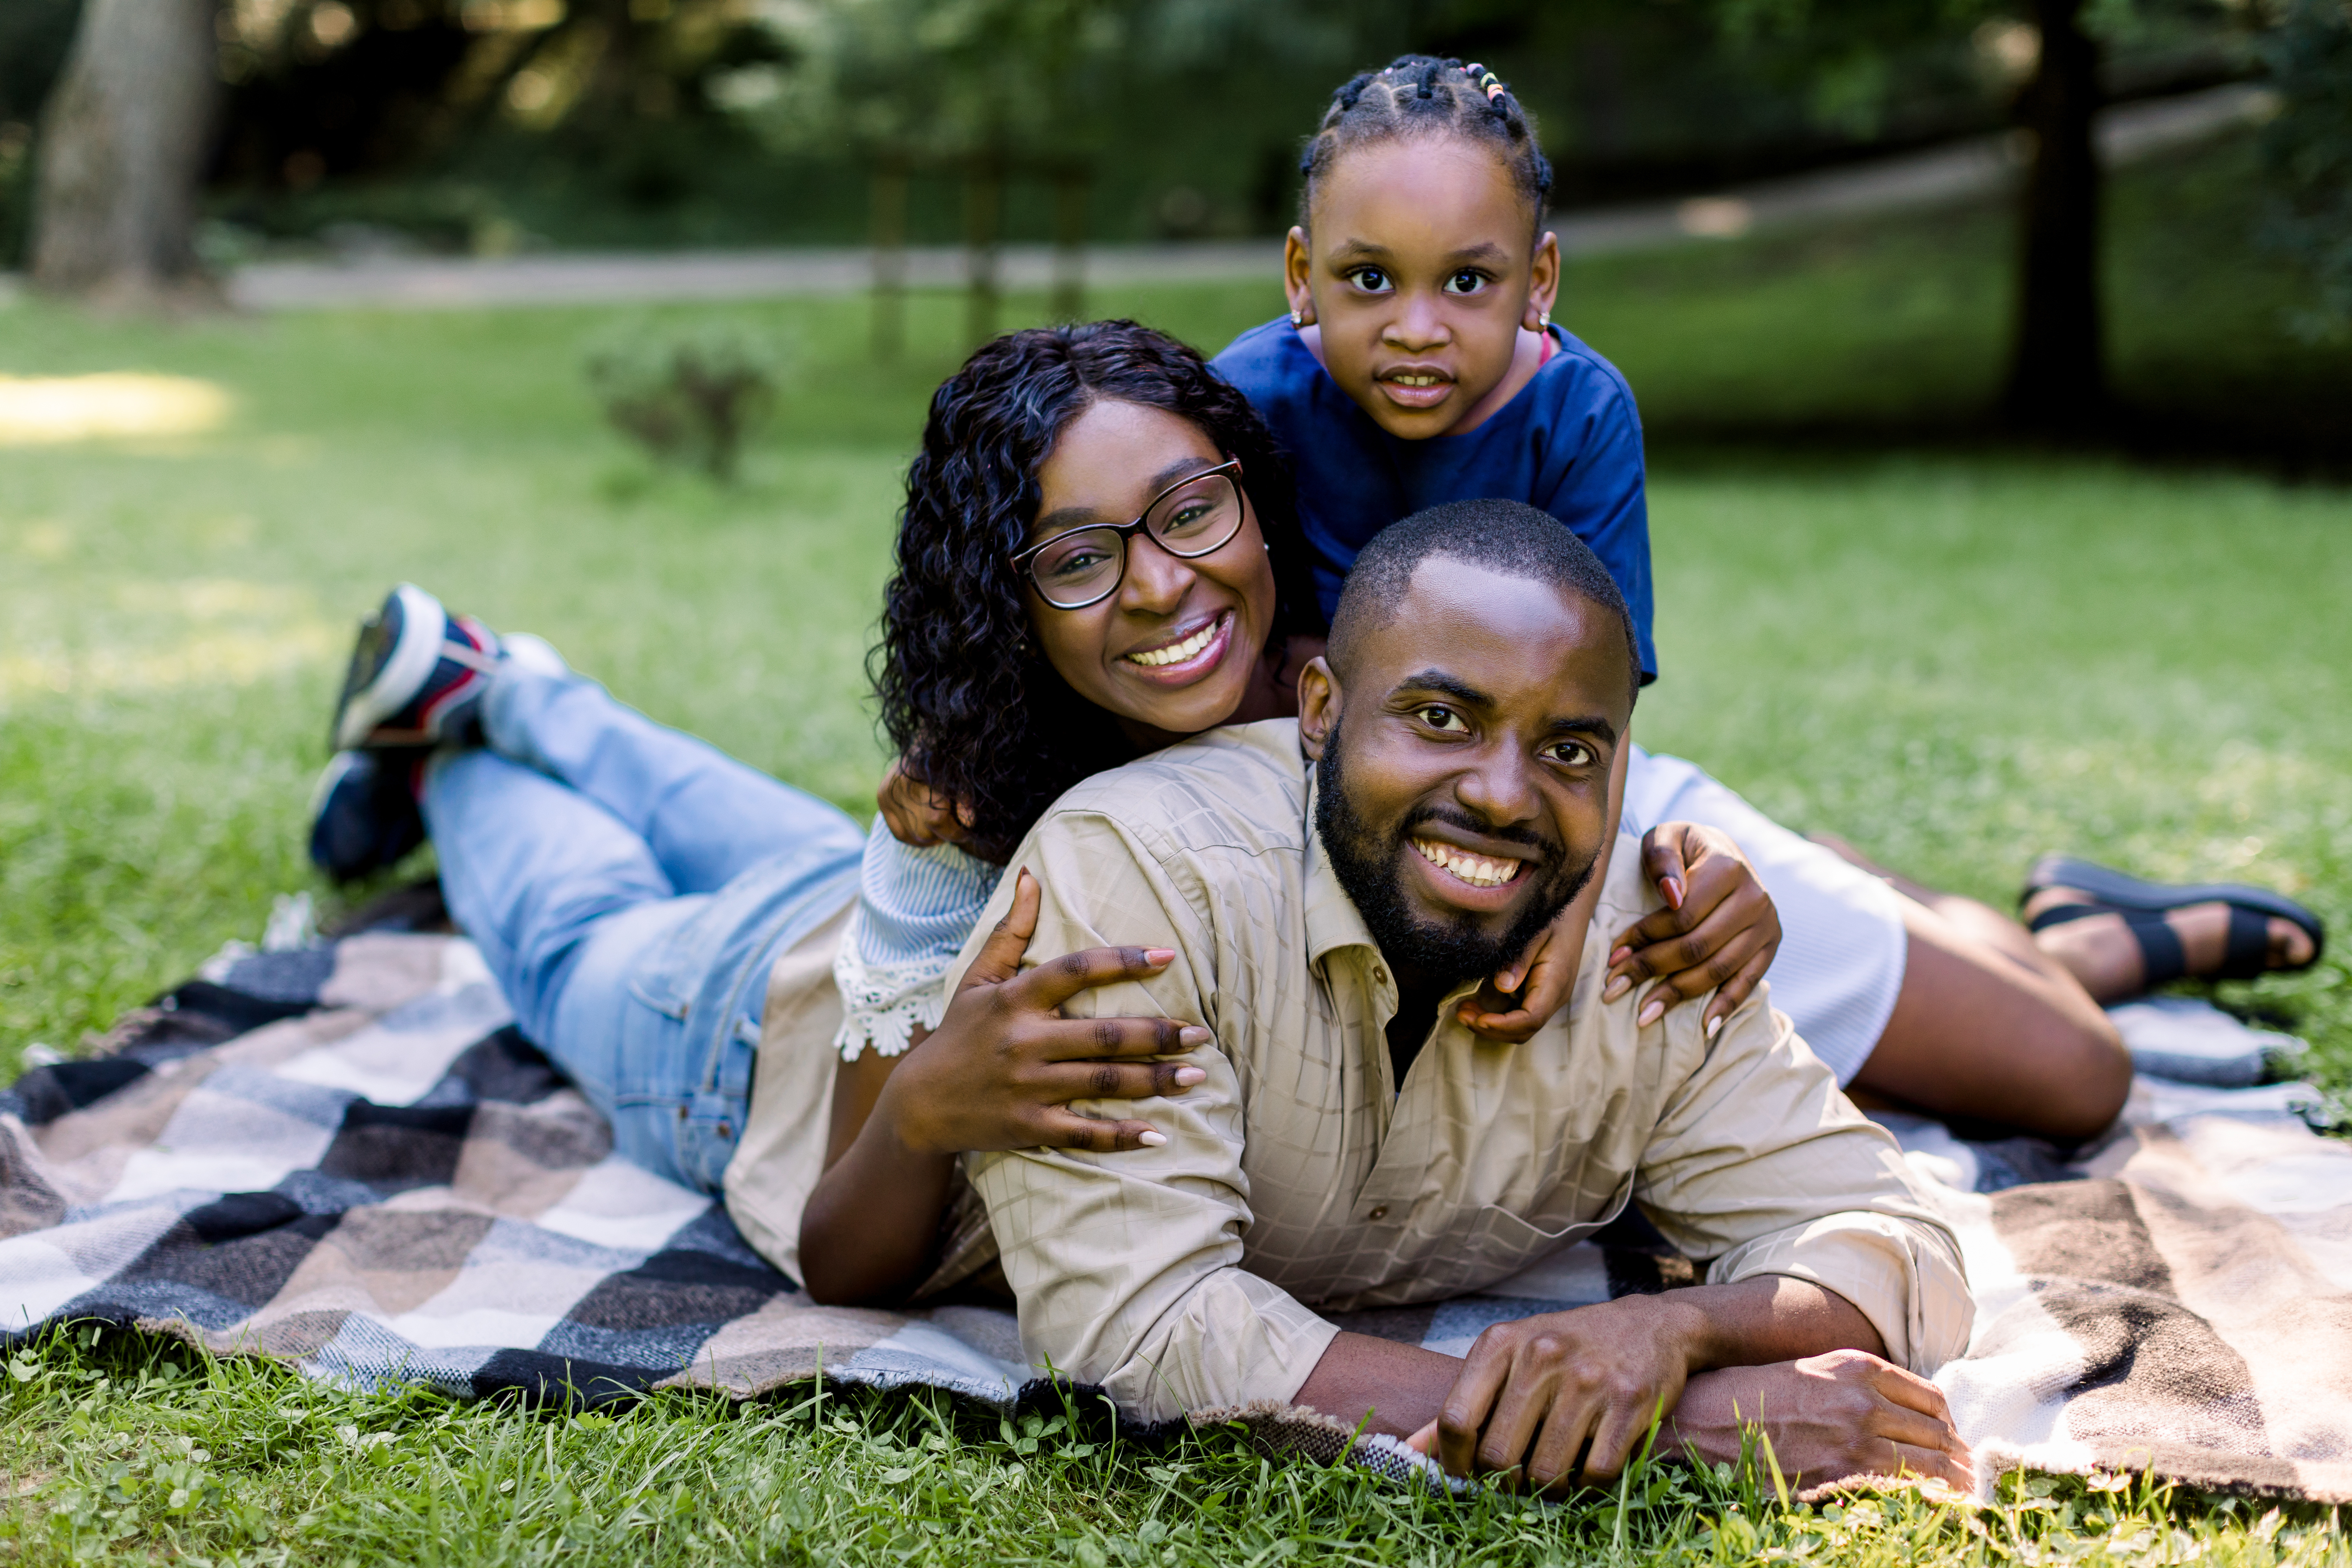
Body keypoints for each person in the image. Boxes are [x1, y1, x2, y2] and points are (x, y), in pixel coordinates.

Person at [303, 324, 1778, 1306]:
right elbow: (845, 1254)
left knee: (702, 801)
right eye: (1076, 558)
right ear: (1010, 601)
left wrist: (1678, 879)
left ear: (1252, 499)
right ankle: (449, 754)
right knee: (572, 920)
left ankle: (518, 684)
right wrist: (931, 1110)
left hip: (836, 909)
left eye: (1190, 511)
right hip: (738, 1035)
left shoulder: (1343, 680)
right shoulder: (959, 797)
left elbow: (1545, 770)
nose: (1158, 586)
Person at [1206, 55, 2324, 1139]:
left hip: (1578, 808)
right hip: (1406, 834)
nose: (1414, 324)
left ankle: (2078, 945)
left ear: (1536, 280)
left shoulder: (1578, 413)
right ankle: (1948, 906)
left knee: (2075, 1074)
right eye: (1368, 279)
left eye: (1466, 280)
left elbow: (1601, 710)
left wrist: (1575, 905)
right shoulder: (1246, 404)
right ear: (1301, 273)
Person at [951, 498, 1976, 1491]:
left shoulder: (1641, 937)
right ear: (1320, 710)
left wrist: (1674, 1328)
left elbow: (1896, 1244)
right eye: (1440, 718)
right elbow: (1137, 1328)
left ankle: (2018, 911)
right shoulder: (1135, 877)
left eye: (1566, 750)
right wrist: (1671, 1424)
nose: (1499, 793)